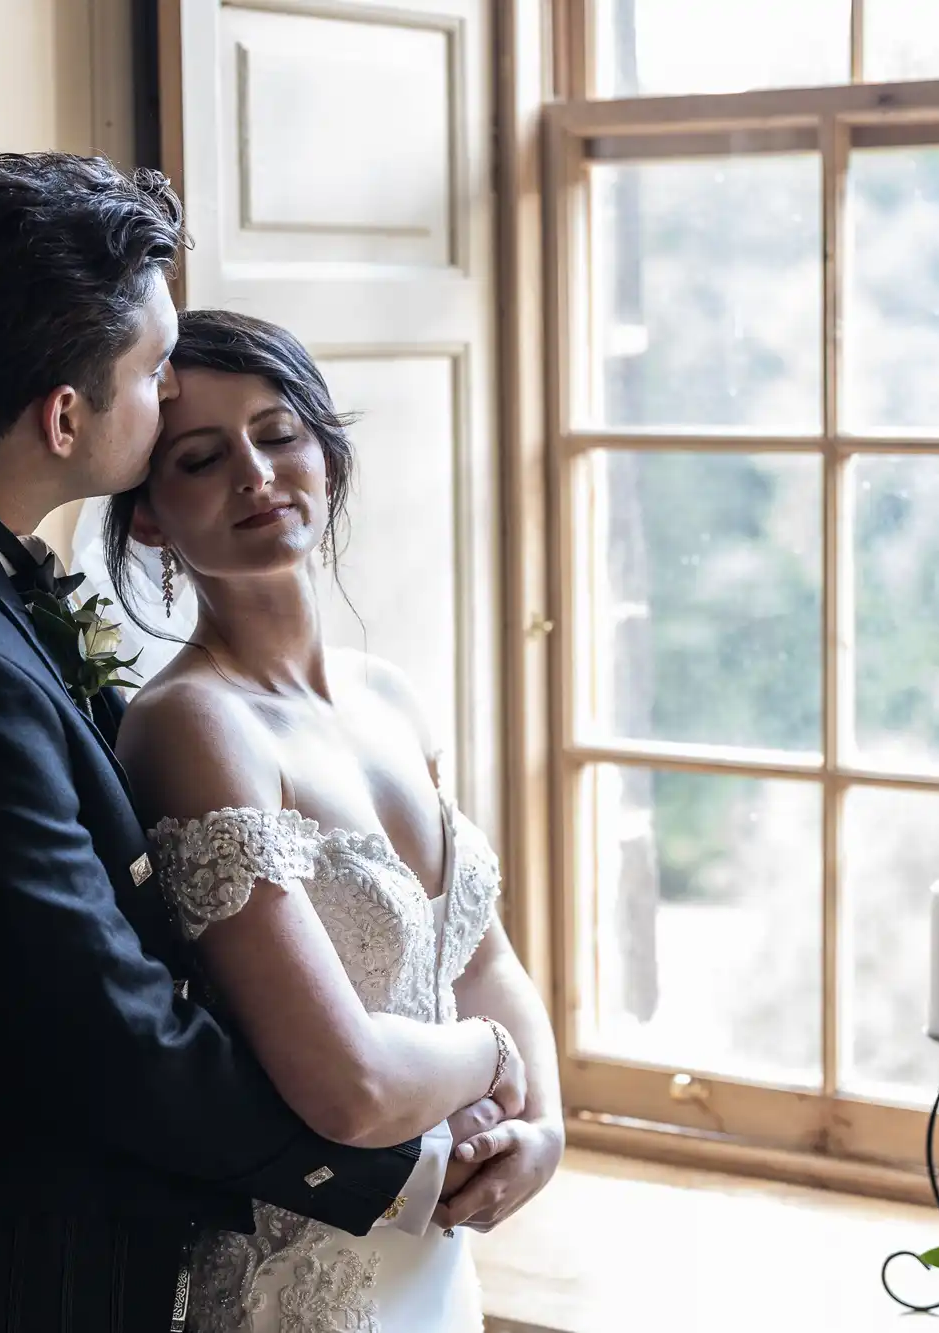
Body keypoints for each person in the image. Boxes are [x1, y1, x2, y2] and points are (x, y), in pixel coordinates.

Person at [0, 153, 486, 1333]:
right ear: (66, 416)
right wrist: (393, 1153)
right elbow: (118, 1037)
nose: (171, 400)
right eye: (156, 374)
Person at [104, 309, 563, 1332]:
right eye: (200, 457)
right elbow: (343, 1085)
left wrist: (544, 1128)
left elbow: (479, 957)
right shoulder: (191, 724)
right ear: (147, 515)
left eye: (277, 435)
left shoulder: (388, 697)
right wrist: (493, 1058)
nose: (256, 478)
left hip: (433, 1260)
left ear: (324, 449)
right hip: (305, 1276)